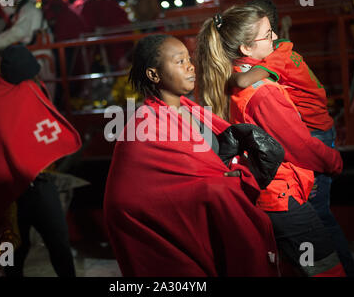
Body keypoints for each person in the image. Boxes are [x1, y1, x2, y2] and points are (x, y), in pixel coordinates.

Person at [104, 34, 287, 277]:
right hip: (174, 239)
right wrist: (222, 184)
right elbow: (127, 199)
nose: (190, 66)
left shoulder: (192, 110)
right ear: (154, 75)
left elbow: (204, 167)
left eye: (189, 59)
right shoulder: (145, 125)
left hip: (212, 221)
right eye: (179, 61)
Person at [196, 5, 345, 276]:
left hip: (259, 191)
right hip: (283, 196)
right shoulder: (262, 92)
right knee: (326, 267)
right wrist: (334, 162)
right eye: (267, 34)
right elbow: (299, 146)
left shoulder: (223, 80)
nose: (275, 36)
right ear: (246, 49)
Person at [229, 0, 354, 277]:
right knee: (320, 218)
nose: (274, 37)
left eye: (272, 32)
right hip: (313, 137)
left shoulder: (270, 62)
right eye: (268, 33)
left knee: (320, 217)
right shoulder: (281, 54)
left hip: (315, 136)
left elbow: (243, 82)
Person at [0, 44, 81, 277]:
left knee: (57, 245)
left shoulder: (24, 91)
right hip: (10, 195)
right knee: (14, 254)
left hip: (37, 185)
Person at [0, 0, 56, 97]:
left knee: (45, 95)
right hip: (36, 57)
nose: (4, 5)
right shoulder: (23, 9)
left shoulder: (28, 9)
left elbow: (18, 32)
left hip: (40, 58)